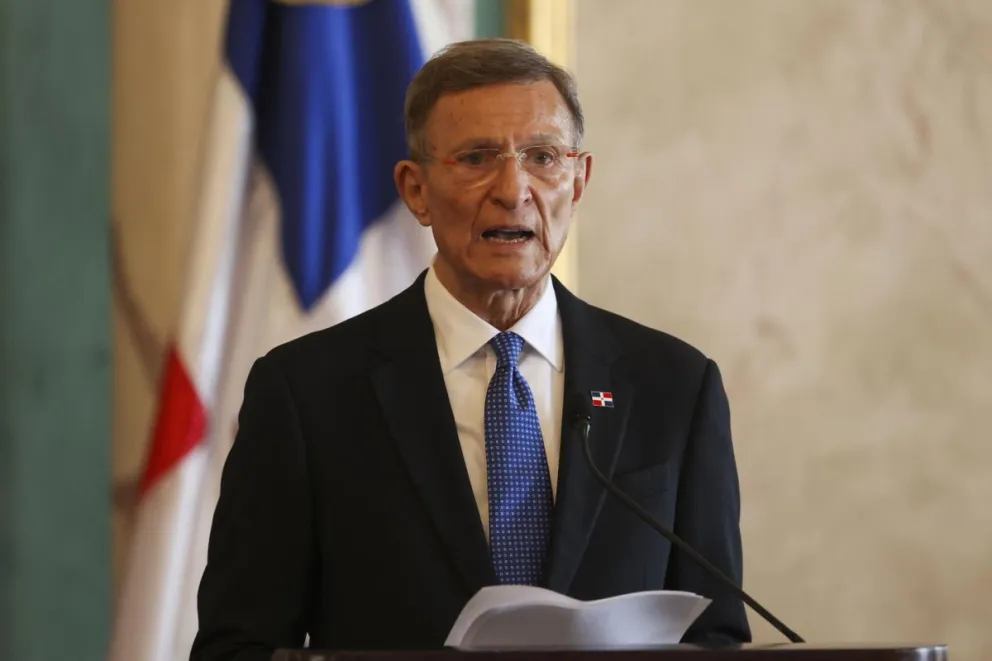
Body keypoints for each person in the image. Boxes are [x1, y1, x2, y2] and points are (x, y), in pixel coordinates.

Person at [191, 38, 750, 661]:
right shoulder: (307, 393)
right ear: (416, 190)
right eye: (478, 158)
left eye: (543, 157)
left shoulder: (675, 387)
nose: (514, 190)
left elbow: (717, 637)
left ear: (578, 180)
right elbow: (237, 648)